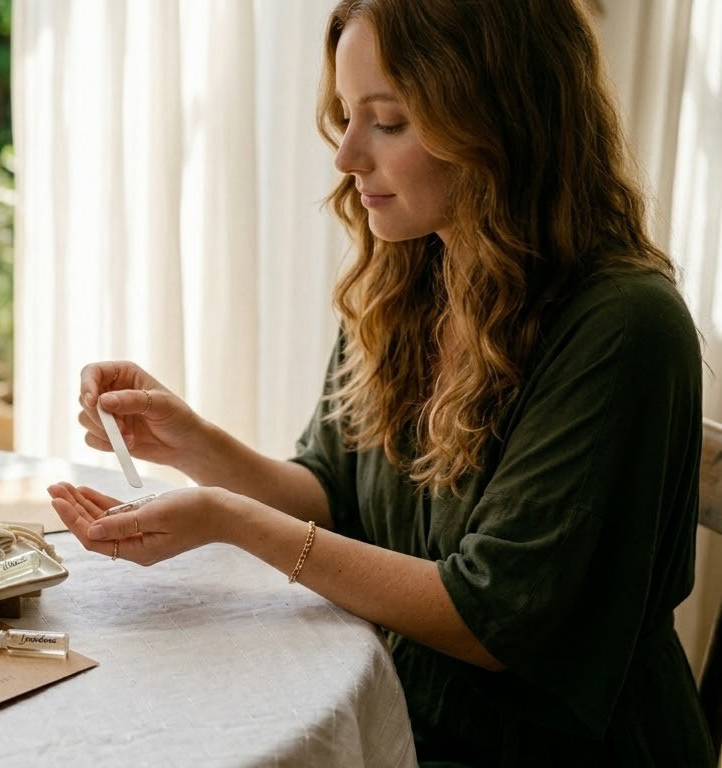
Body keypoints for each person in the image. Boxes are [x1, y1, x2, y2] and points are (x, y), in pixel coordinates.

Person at [47, 1, 713, 765]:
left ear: (502, 121)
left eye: (388, 122)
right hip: (406, 713)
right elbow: (335, 494)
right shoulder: (413, 273)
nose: (347, 157)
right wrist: (192, 445)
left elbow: (491, 620)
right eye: (346, 116)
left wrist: (230, 519)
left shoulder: (623, 325)